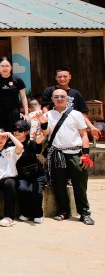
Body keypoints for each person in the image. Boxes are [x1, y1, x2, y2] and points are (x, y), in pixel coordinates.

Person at [40, 89, 94, 225]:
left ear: (68, 98)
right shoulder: (48, 114)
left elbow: (84, 135)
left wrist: (85, 154)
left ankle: (84, 213)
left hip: (76, 153)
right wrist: (43, 123)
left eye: (62, 97)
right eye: (56, 97)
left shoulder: (76, 114)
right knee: (59, 184)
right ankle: (63, 211)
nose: (59, 99)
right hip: (57, 153)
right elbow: (46, 132)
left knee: (80, 184)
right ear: (52, 99)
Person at [40, 67, 101, 139]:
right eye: (59, 77)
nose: (62, 79)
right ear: (56, 78)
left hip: (71, 126)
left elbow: (82, 113)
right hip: (54, 125)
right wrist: (47, 121)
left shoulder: (76, 93)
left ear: (70, 77)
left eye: (65, 76)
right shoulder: (49, 90)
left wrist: (91, 127)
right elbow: (45, 107)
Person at [12, 120, 46, 223]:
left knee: (33, 191)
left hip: (36, 173)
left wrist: (39, 142)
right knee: (22, 189)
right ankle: (25, 212)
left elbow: (37, 150)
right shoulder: (10, 144)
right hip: (22, 175)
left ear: (26, 132)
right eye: (15, 129)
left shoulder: (30, 143)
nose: (16, 132)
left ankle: (37, 213)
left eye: (20, 130)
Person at [0, 56, 28, 132]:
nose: (4, 68)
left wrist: (26, 114)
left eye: (7, 66)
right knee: (0, 135)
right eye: (2, 66)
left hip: (14, 113)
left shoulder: (17, 80)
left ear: (11, 67)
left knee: (14, 134)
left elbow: (23, 97)